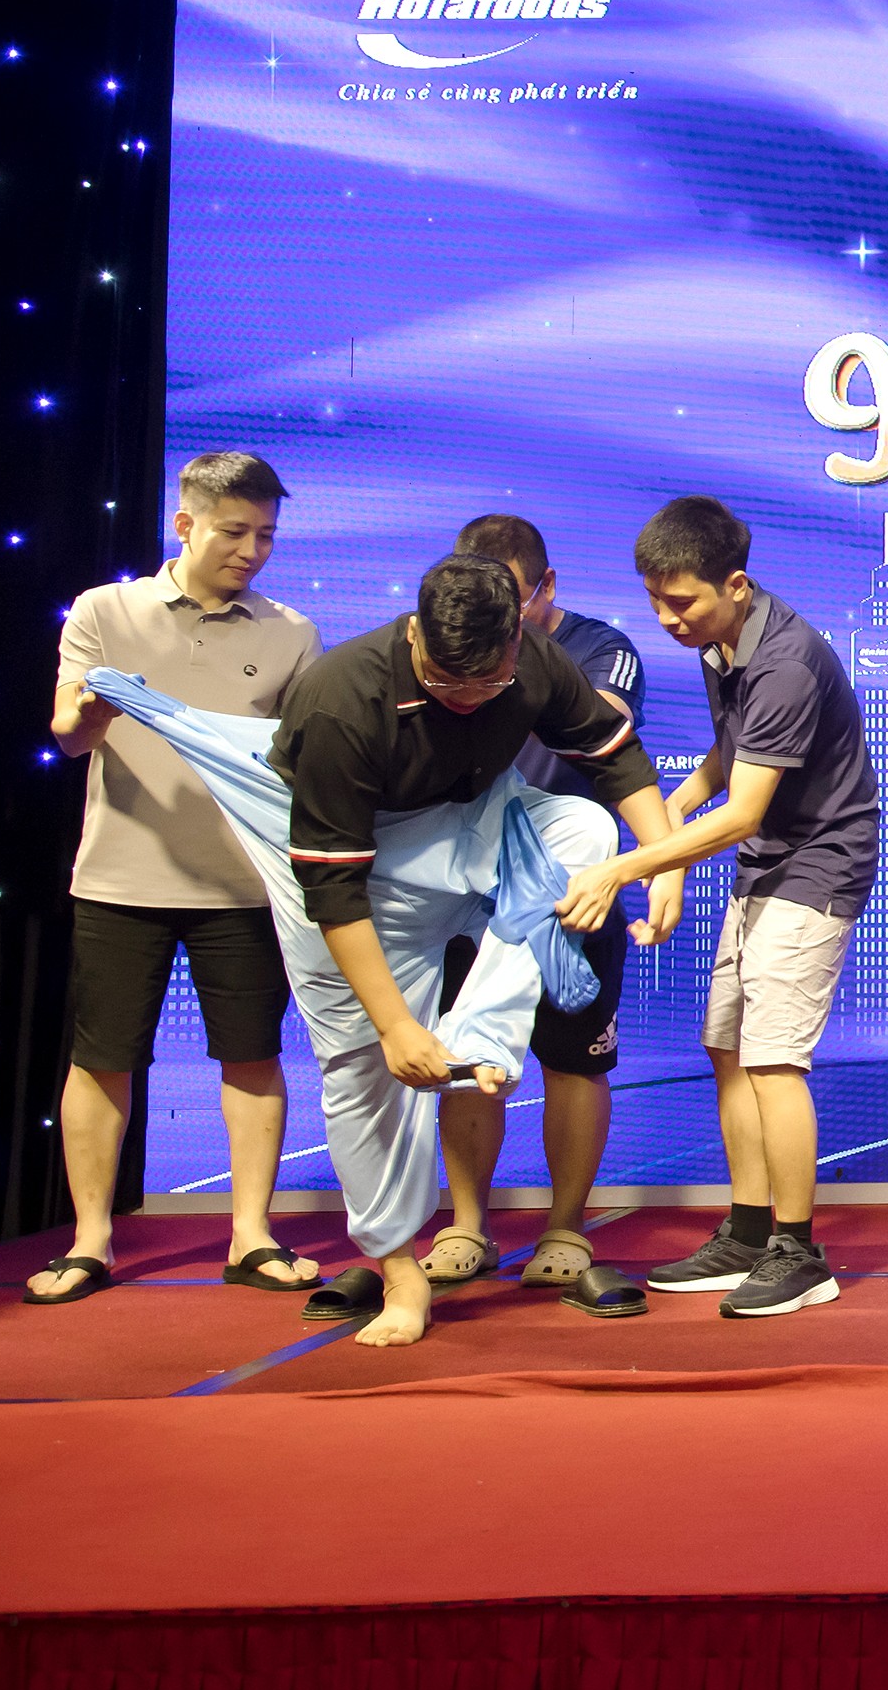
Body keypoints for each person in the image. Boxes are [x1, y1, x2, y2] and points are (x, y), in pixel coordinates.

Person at [262, 552, 682, 1346]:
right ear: (413, 634)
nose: (466, 698)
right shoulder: (342, 701)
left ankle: (483, 1033)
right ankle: (398, 1271)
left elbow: (613, 754)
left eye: (488, 684)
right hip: (361, 863)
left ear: (518, 640)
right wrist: (396, 1027)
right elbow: (333, 890)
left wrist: (662, 864)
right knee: (360, 1066)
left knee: (584, 827)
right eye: (445, 681)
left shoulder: (532, 662)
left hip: (473, 818)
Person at [556, 497, 881, 1321]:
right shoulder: (721, 643)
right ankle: (746, 1232)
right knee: (728, 1046)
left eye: (682, 603)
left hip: (819, 863)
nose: (667, 619)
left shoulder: (785, 662)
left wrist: (625, 866)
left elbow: (740, 814)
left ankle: (799, 1253)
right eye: (655, 601)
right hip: (768, 859)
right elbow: (732, 756)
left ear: (735, 584)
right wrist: (668, 815)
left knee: (773, 1059)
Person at [29, 453, 322, 1306]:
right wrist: (95, 709)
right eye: (234, 532)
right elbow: (67, 737)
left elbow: (303, 759)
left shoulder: (292, 632)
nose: (251, 551)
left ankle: (251, 1235)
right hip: (120, 881)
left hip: (245, 886)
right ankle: (90, 1241)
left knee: (253, 1055)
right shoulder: (104, 610)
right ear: (185, 524)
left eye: (265, 535)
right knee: (102, 1058)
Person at [427, 512, 650, 1292]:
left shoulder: (599, 648)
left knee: (573, 1061)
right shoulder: (450, 642)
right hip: (469, 891)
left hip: (573, 896)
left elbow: (601, 729)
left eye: (512, 598)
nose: (498, 616)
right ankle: (466, 1225)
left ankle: (565, 1226)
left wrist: (498, 680)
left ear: (545, 586)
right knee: (466, 1058)